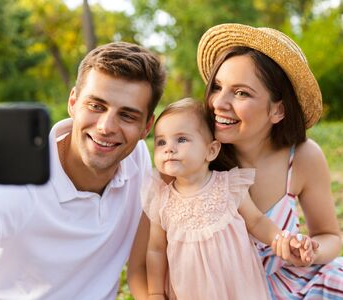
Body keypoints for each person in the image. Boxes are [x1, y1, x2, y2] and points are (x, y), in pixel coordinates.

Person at [197, 23, 343, 299]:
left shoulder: (303, 157)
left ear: (278, 110)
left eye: (241, 93)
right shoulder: (196, 158)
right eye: (218, 87)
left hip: (298, 282)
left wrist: (308, 250)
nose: (218, 103)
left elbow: (330, 236)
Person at [0, 41, 166, 299]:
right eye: (96, 106)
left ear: (146, 127)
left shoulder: (137, 158)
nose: (106, 127)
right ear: (73, 102)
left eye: (127, 116)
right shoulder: (18, 185)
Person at [128, 98, 318, 300]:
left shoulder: (229, 185)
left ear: (211, 150)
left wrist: (282, 239)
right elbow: (156, 250)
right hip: (190, 291)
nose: (169, 148)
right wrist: (155, 292)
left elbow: (256, 221)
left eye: (181, 139)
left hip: (238, 286)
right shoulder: (162, 199)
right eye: (161, 142)